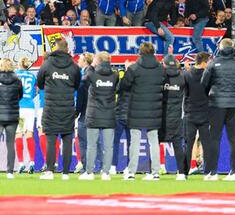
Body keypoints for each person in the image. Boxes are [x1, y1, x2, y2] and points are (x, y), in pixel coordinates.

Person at [201, 38, 235, 181]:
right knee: (234, 139)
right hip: (234, 105)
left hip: (216, 105)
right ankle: (233, 172)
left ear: (221, 47)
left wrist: (211, 95)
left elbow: (204, 83)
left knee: (214, 138)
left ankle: (213, 172)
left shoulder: (213, 63)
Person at [36, 37, 81, 180]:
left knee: (51, 139)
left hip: (50, 107)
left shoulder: (47, 64)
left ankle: (49, 171)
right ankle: (66, 173)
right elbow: (77, 84)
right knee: (67, 139)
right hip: (68, 107)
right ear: (67, 49)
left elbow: (40, 83)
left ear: (55, 48)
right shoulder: (74, 66)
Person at [120, 42, 165, 181]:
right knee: (153, 140)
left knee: (135, 141)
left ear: (140, 52)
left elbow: (123, 86)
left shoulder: (134, 68)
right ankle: (156, 172)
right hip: (154, 109)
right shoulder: (160, 69)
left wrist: (127, 69)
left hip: (136, 110)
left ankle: (132, 172)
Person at [80, 52, 117, 180]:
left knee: (91, 145)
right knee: (108, 146)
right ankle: (106, 173)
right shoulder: (115, 75)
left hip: (94, 114)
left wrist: (91, 66)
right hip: (109, 114)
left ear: (98, 61)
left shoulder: (92, 74)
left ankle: (89, 172)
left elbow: (84, 80)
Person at [182, 53, 212, 176]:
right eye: (209, 62)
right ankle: (209, 172)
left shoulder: (187, 74)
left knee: (188, 144)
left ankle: (184, 172)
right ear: (204, 62)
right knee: (206, 144)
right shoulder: (209, 75)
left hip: (190, 113)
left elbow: (185, 94)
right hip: (205, 114)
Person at [160, 55, 187, 180]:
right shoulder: (182, 78)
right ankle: (181, 173)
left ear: (164, 64)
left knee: (155, 143)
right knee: (177, 145)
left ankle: (153, 172)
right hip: (177, 116)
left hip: (161, 116)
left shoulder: (160, 77)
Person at [15, 57, 39, 174]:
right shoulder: (32, 76)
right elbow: (35, 92)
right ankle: (32, 162)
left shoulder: (15, 75)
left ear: (19, 64)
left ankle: (20, 163)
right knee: (30, 134)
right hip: (30, 108)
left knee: (18, 134)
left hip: (19, 108)